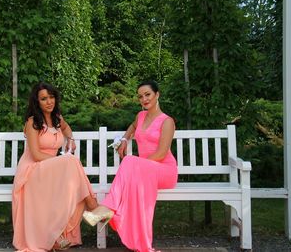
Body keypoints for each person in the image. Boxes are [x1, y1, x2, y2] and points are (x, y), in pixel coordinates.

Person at [82, 80, 178, 252]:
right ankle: (109, 210)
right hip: (144, 171)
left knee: (129, 161)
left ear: (157, 95)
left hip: (164, 170)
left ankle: (105, 208)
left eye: (147, 94)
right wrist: (126, 138)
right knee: (130, 163)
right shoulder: (140, 117)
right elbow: (133, 127)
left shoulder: (167, 121)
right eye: (140, 96)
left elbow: (162, 153)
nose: (144, 99)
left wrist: (138, 166)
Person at [12, 82, 98, 252]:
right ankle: (93, 206)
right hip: (33, 169)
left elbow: (66, 129)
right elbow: (35, 155)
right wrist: (60, 162)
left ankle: (57, 236)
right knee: (71, 161)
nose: (49, 102)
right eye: (44, 99)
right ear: (37, 102)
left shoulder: (57, 118)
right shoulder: (32, 122)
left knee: (70, 171)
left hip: (51, 170)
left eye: (51, 97)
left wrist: (70, 139)